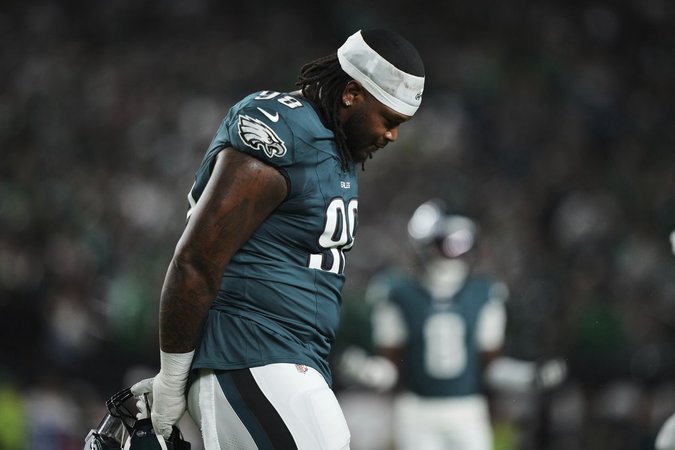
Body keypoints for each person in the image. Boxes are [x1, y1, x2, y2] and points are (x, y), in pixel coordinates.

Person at [130, 29, 426, 450]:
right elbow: (196, 259)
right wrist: (171, 380)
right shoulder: (285, 129)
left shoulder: (333, 143)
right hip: (250, 354)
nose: (392, 136)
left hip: (289, 360)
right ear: (352, 94)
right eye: (389, 120)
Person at [343, 199, 565, 450]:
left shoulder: (483, 292)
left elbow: (492, 367)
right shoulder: (399, 293)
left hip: (467, 410)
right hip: (417, 411)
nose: (456, 251)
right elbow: (391, 368)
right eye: (449, 242)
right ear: (427, 242)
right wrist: (366, 371)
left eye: (463, 242)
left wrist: (529, 376)